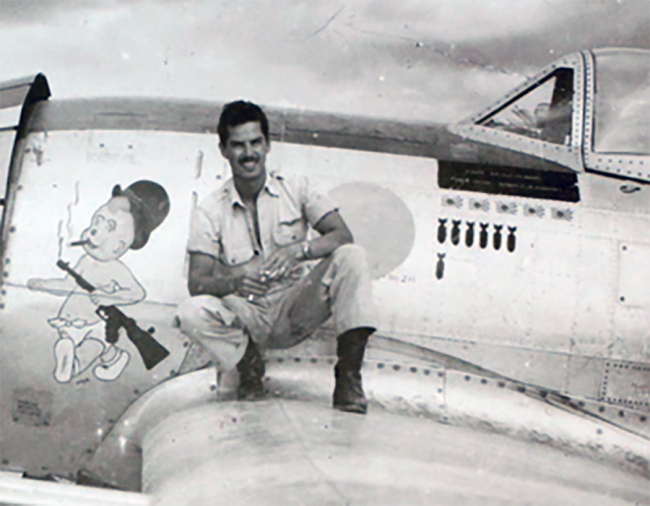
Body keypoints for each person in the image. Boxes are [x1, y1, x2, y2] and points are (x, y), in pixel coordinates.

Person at [177, 100, 376, 414]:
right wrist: (236, 278)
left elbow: (342, 235)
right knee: (190, 311)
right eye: (238, 145)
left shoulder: (297, 189)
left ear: (268, 145)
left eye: (256, 143)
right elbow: (197, 282)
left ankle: (348, 377)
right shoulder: (209, 211)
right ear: (224, 150)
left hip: (294, 309)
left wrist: (299, 250)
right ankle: (248, 365)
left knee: (352, 256)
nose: (249, 154)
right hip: (247, 315)